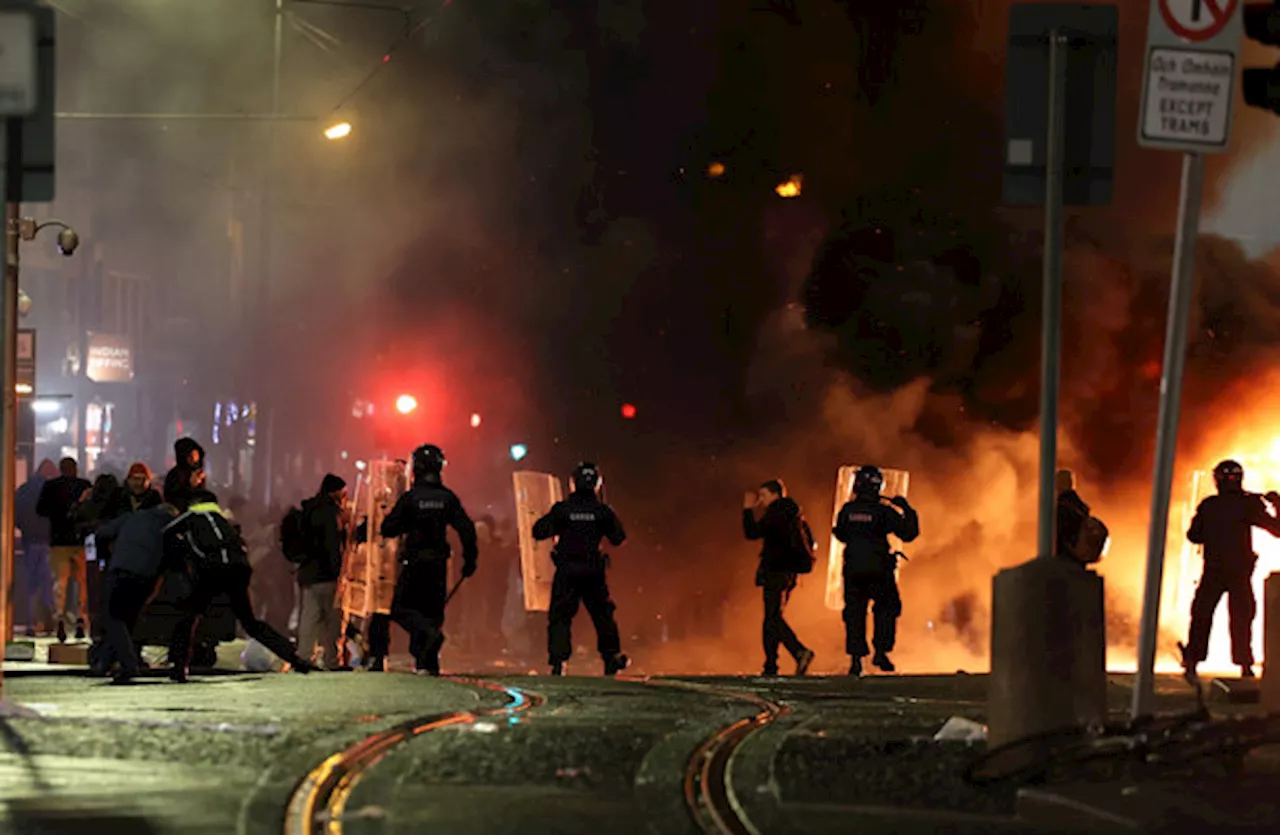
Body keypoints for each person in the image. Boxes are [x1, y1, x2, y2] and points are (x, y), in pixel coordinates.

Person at [165, 480, 315, 682]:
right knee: (250, 621)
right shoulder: (221, 520)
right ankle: (294, 658)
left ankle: (179, 665)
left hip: (213, 568)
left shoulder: (193, 515)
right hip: (238, 569)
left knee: (190, 615)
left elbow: (166, 532)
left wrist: (182, 563)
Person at [376, 444, 478, 675]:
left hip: (414, 563)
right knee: (433, 613)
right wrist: (470, 558)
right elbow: (466, 528)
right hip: (438, 565)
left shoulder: (411, 498)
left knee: (400, 609)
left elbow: (389, 527)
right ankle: (428, 663)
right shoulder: (447, 498)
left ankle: (428, 638)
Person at [1180, 460, 1280, 684]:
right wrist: (1276, 504)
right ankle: (1245, 665)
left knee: (1202, 614)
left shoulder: (1210, 505)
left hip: (1214, 570)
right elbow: (1277, 529)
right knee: (1242, 617)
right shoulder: (1248, 504)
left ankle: (1193, 662)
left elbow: (1193, 535)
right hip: (1238, 572)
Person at [533, 462, 629, 677]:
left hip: (567, 570)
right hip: (593, 571)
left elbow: (538, 531)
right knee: (603, 615)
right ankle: (610, 658)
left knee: (560, 616)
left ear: (573, 483)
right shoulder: (602, 511)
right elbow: (619, 538)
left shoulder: (563, 509)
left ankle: (558, 662)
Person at [832, 465, 919, 677]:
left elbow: (841, 534)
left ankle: (856, 660)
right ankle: (880, 651)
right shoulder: (884, 511)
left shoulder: (847, 510)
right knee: (888, 608)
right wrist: (907, 510)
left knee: (854, 613)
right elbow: (908, 534)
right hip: (879, 569)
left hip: (853, 570)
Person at [94, 503, 184, 684]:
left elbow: (102, 533)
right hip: (147, 577)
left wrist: (104, 559)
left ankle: (128, 665)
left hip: (121, 569)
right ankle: (104, 663)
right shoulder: (172, 527)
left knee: (113, 618)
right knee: (128, 619)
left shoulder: (134, 516)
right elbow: (175, 559)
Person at [742, 479, 816, 677]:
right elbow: (811, 541)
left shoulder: (777, 512)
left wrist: (748, 510)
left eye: (764, 496)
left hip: (776, 570)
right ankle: (772, 664)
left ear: (775, 495)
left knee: (772, 618)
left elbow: (752, 532)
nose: (762, 500)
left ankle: (797, 652)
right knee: (772, 618)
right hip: (789, 572)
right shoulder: (795, 514)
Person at [36, 457, 92, 642]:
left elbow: (41, 510)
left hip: (58, 540)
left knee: (60, 583)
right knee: (82, 583)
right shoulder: (84, 485)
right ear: (76, 469)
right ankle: (81, 618)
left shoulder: (51, 486)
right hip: (80, 541)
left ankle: (60, 616)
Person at [297, 474, 349, 670]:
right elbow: (333, 545)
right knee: (333, 621)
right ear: (335, 492)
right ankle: (332, 660)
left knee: (309, 619)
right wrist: (339, 572)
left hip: (309, 574)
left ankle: (303, 657)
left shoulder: (309, 510)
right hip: (328, 575)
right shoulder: (332, 513)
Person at [15, 459, 57, 636]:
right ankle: (49, 620)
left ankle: (31, 622)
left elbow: (16, 513)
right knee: (47, 582)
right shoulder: (53, 490)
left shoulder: (24, 490)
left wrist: (24, 529)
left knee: (30, 582)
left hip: (29, 540)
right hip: (48, 541)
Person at [163, 438, 206, 512]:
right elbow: (173, 500)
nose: (193, 459)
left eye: (195, 456)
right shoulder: (174, 476)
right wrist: (190, 486)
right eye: (190, 456)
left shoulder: (198, 473)